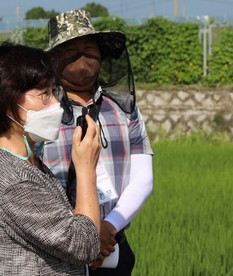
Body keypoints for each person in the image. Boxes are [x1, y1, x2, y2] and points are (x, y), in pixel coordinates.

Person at [0, 42, 102, 275]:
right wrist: (86, 168)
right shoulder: (16, 182)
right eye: (44, 94)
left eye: (53, 91)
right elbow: (84, 246)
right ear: (7, 103)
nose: (56, 103)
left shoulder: (21, 162)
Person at [41, 9, 154, 275]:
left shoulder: (124, 110)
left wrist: (107, 229)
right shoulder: (39, 110)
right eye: (71, 49)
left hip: (112, 247)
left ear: (101, 54)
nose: (82, 56)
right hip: (55, 253)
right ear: (55, 59)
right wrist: (79, 240)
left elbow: (143, 179)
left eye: (89, 47)